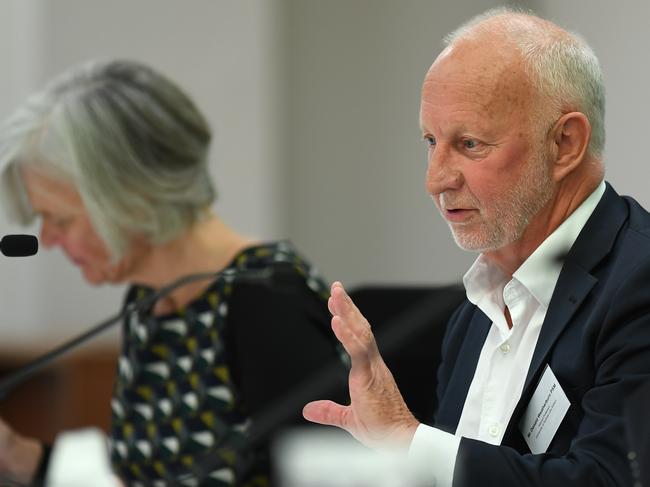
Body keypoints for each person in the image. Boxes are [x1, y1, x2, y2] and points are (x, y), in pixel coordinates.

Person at [303, 7, 650, 487]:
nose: (435, 180)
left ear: (565, 143)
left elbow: (612, 480)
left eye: (469, 144)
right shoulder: (473, 314)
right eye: (430, 140)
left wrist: (408, 441)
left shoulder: (639, 282)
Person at [0, 59, 346, 486]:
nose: (48, 239)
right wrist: (19, 458)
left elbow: (323, 476)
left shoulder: (264, 299)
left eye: (61, 220)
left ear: (131, 196)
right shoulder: (150, 298)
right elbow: (148, 474)